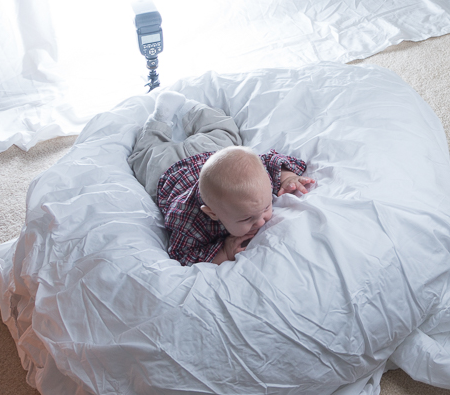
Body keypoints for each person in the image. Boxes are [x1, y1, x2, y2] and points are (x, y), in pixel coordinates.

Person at [129, 91, 315, 266]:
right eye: (247, 218)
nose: (261, 222)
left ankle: (190, 109)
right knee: (143, 158)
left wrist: (287, 177)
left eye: (266, 207)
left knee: (226, 131)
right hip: (170, 168)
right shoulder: (188, 222)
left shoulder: (258, 182)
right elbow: (181, 254)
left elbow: (271, 160)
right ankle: (159, 119)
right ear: (212, 213)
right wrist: (223, 253)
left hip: (211, 153)